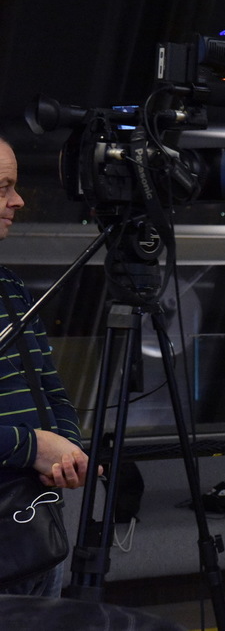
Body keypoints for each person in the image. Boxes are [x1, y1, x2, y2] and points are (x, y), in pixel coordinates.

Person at [0, 136, 97, 597]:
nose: (17, 200)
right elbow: (36, 440)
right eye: (2, 188)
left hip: (36, 528)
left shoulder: (10, 287)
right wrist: (35, 445)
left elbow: (49, 388)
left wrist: (68, 451)